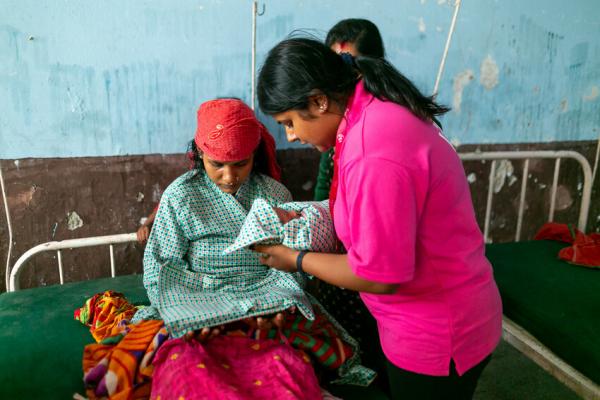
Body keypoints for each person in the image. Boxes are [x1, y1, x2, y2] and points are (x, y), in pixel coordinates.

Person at [255, 37, 503, 399]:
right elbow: (371, 209)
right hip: (435, 316)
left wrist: (295, 259)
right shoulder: (368, 116)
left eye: (289, 122)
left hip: (438, 331)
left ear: (319, 101)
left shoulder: (373, 148)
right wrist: (303, 213)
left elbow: (379, 275)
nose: (292, 136)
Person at [314, 18, 385, 202]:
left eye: (350, 66)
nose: (342, 77)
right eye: (335, 67)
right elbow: (324, 185)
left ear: (375, 64)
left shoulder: (385, 119)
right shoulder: (335, 118)